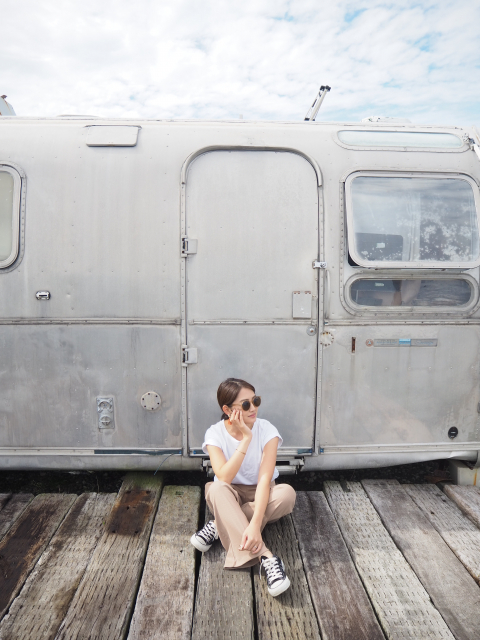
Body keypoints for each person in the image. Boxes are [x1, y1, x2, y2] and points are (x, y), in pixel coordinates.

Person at [190, 377, 296, 597]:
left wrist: (255, 525)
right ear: (227, 410)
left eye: (256, 401)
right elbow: (224, 477)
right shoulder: (215, 433)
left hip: (261, 492)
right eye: (246, 404)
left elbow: (265, 480)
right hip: (228, 495)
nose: (253, 408)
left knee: (287, 494)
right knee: (216, 489)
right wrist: (246, 439)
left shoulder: (267, 430)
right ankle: (266, 557)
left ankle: (220, 525)